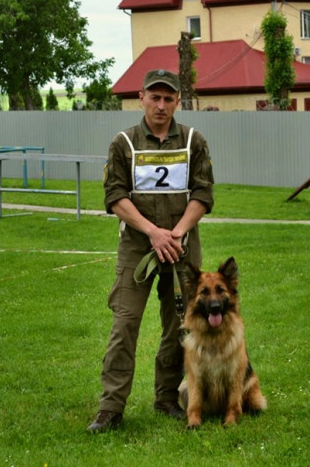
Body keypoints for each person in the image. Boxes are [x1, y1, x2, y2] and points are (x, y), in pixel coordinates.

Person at [87, 69, 215, 433]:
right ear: (141, 97)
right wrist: (153, 233)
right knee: (125, 324)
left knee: (180, 325)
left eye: (168, 98)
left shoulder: (193, 141)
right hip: (137, 249)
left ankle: (166, 398)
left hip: (182, 247)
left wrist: (175, 233)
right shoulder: (123, 144)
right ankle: (110, 409)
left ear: (178, 101)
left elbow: (203, 193)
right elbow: (115, 196)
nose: (161, 105)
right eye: (154, 97)